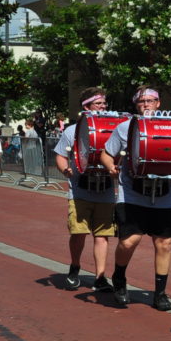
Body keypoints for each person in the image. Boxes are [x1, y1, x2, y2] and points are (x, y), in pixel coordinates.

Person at [100, 86, 171, 311]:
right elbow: (106, 153)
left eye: (151, 100)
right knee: (129, 241)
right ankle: (120, 277)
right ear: (136, 105)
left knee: (164, 243)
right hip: (132, 192)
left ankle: (160, 293)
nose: (146, 104)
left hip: (163, 193)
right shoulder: (125, 127)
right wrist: (110, 167)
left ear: (159, 103)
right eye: (142, 101)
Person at [54, 86, 118, 293]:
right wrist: (66, 170)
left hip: (106, 189)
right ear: (86, 106)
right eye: (98, 103)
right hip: (80, 190)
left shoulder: (114, 128)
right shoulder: (73, 130)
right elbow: (60, 156)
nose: (103, 107)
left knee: (102, 235)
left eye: (104, 103)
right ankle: (75, 268)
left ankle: (100, 276)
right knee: (79, 233)